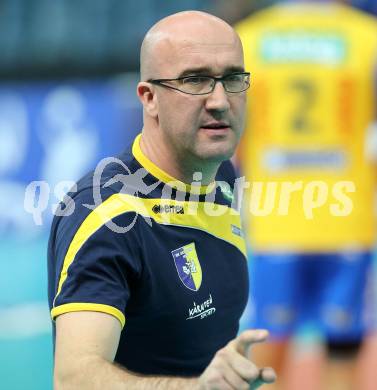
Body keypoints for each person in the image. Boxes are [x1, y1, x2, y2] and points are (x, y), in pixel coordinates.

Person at [47, 10, 276, 389]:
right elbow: (74, 378)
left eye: (233, 78)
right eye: (196, 80)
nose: (219, 100)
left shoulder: (220, 175)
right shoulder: (108, 215)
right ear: (149, 97)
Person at [235, 1, 377, 389]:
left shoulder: (249, 39)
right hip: (348, 217)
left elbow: (232, 135)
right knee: (342, 351)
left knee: (268, 349)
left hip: (275, 219)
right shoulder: (367, 37)